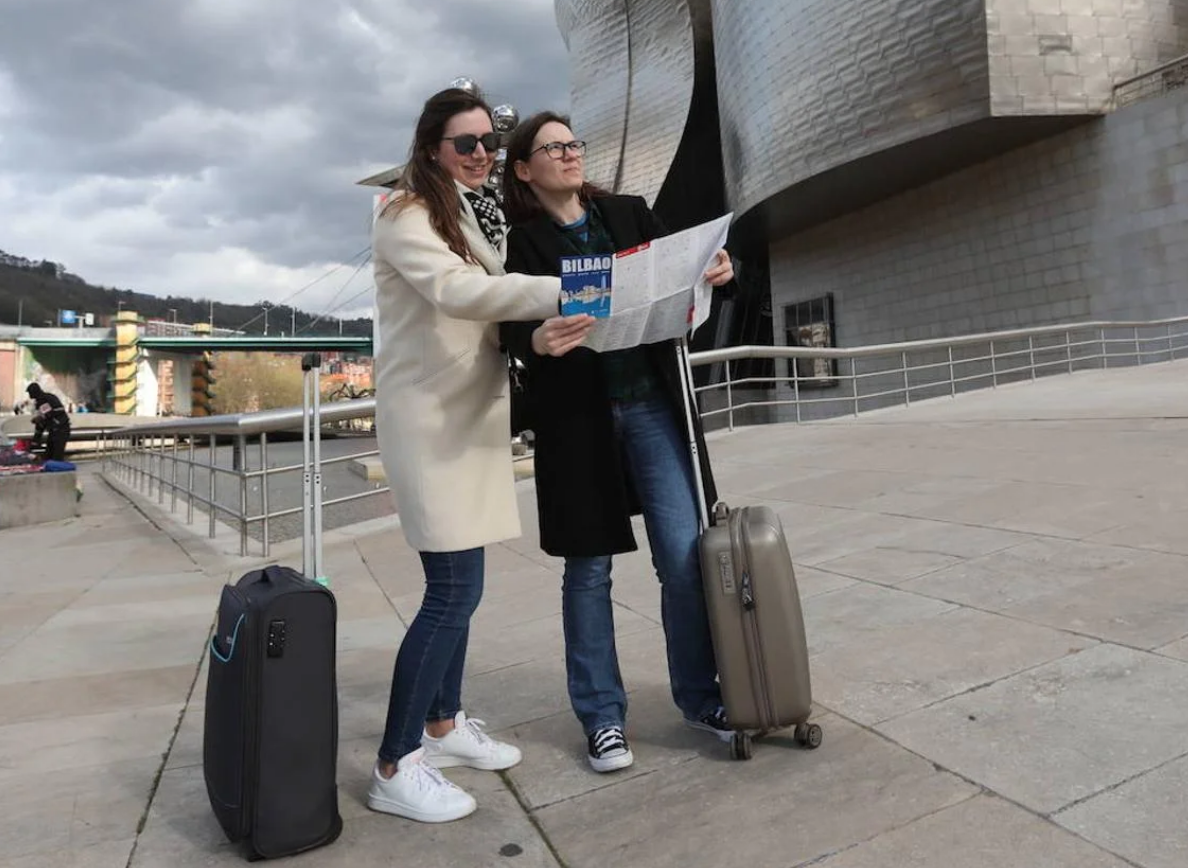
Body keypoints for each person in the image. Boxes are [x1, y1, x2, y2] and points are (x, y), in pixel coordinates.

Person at [367, 89, 583, 823]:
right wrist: (570, 290)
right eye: (466, 143)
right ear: (432, 146)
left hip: (465, 420)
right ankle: (395, 764)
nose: (482, 154)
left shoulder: (461, 208)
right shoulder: (403, 211)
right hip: (430, 426)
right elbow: (462, 293)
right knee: (452, 592)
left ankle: (444, 723)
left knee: (463, 585)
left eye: (489, 141)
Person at [499, 111, 735, 773]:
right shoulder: (525, 244)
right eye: (553, 148)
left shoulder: (629, 213)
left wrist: (719, 269)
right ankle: (602, 718)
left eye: (574, 144)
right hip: (579, 421)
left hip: (653, 406)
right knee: (589, 570)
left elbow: (685, 275)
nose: (570, 154)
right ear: (524, 168)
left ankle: (700, 697)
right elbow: (509, 325)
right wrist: (534, 341)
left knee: (685, 559)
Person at [25, 383, 71, 461]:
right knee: (49, 455)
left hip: (61, 429)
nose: (29, 395)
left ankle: (59, 469)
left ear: (34, 392)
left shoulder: (48, 398)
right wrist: (36, 440)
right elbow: (41, 424)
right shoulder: (39, 402)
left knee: (57, 456)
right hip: (53, 431)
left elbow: (58, 411)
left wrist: (42, 417)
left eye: (30, 393)